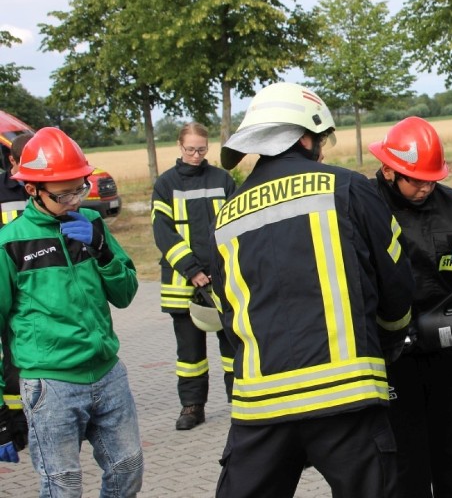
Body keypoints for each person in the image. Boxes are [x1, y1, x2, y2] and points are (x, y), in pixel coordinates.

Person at [211, 82, 415, 498]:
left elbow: (227, 310)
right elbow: (394, 281)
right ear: (304, 136)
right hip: (347, 400)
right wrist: (391, 340)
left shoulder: (225, 215)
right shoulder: (348, 187)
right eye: (320, 139)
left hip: (261, 408)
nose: (321, 148)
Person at [0, 127, 143, 496]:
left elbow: (126, 293)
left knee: (127, 467)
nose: (75, 201)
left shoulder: (92, 226)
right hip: (51, 385)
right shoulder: (10, 244)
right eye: (63, 194)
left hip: (108, 374)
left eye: (80, 188)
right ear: (32, 189)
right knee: (62, 484)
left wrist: (102, 249)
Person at [368, 116, 452, 498]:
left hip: (449, 345)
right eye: (417, 180)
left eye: (433, 179)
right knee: (405, 458)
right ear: (390, 170)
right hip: (394, 351)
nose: (427, 187)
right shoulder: (364, 205)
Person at [151, 121, 237, 430]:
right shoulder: (165, 184)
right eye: (191, 149)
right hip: (183, 284)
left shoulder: (223, 180)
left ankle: (239, 401)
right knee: (190, 353)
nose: (197, 155)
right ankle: (192, 407)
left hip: (222, 280)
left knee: (232, 345)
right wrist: (192, 270)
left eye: (202, 149)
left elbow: (236, 224)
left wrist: (219, 269)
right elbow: (163, 233)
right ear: (180, 147)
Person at [0, 133, 33, 453]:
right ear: (12, 161)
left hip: (33, 285)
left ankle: (24, 419)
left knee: (19, 357)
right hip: (4, 281)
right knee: (8, 362)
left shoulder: (42, 186)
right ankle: (12, 420)